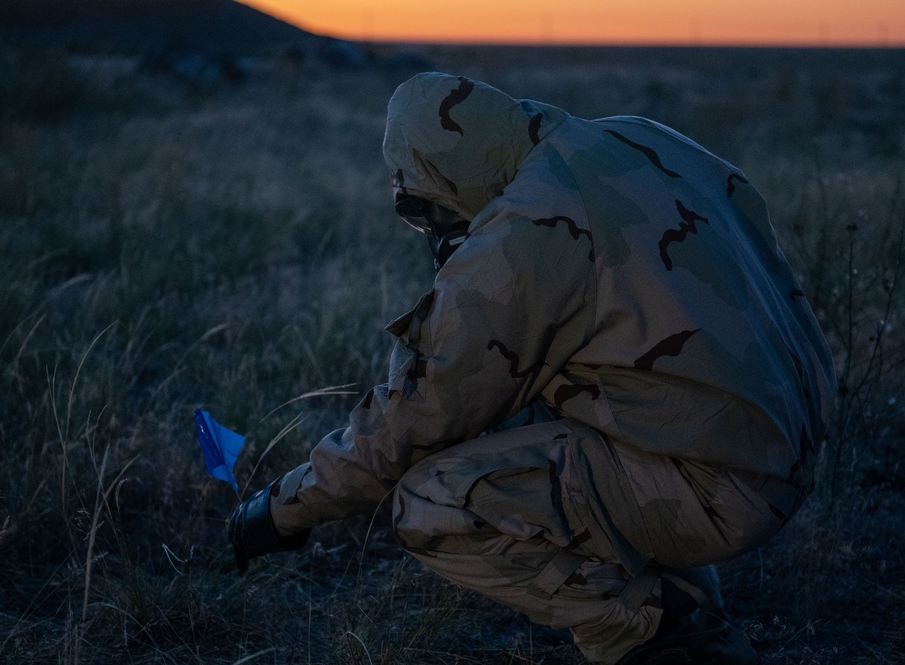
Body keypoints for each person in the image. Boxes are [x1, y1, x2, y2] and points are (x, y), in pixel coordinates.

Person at [227, 72, 835, 664]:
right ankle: (691, 607)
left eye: (425, 209)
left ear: (445, 174)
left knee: (432, 502)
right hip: (789, 437)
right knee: (537, 403)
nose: (432, 230)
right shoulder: (629, 136)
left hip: (724, 487)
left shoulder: (525, 230)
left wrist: (282, 510)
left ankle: (656, 634)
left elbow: (415, 416)